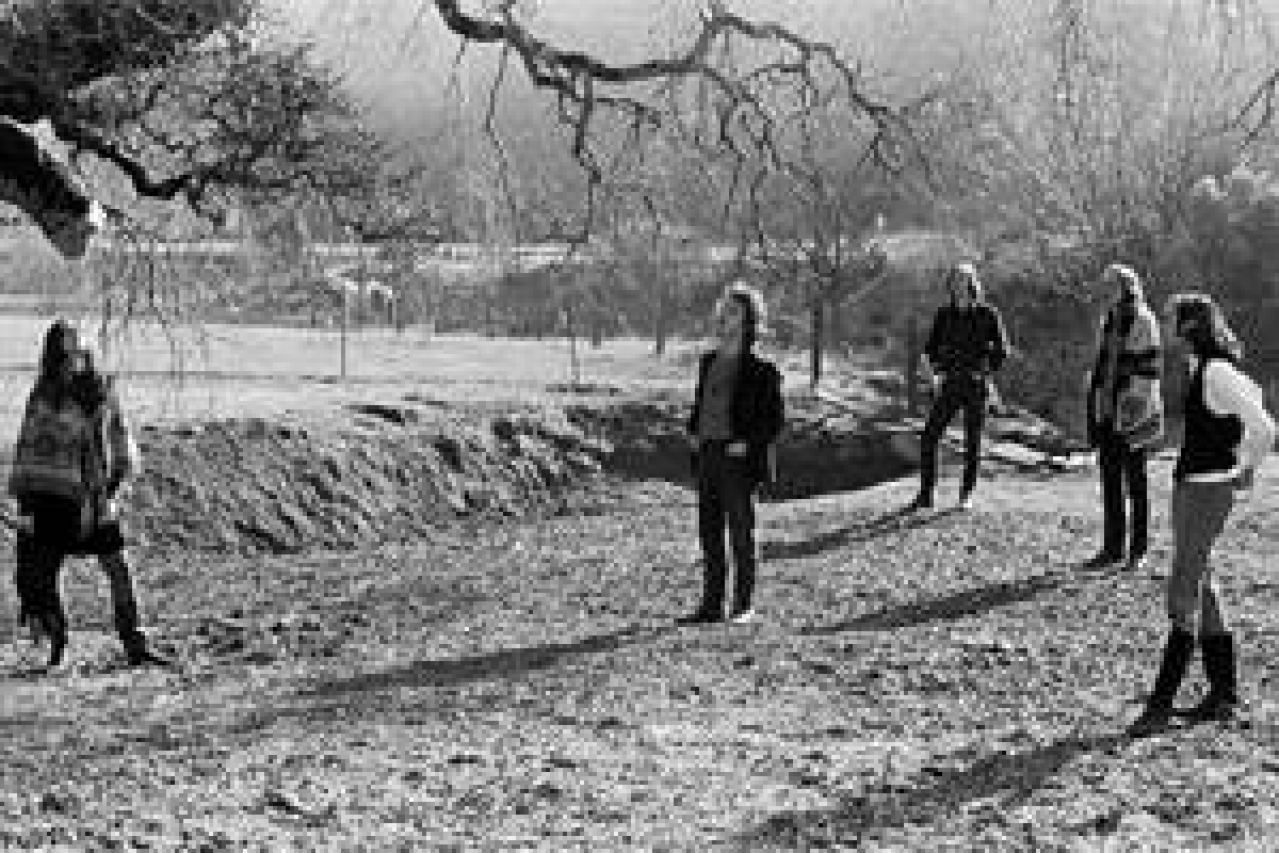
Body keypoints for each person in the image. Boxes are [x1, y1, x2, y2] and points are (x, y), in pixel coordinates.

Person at [1128, 294, 1275, 737]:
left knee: (1183, 589)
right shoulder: (1205, 368)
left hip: (1206, 491)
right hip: (1196, 488)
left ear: (1189, 325)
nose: (1166, 323)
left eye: (1172, 318)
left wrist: (1246, 467)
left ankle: (1159, 705)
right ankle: (1223, 695)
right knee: (1202, 586)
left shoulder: (1216, 371)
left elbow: (1265, 426)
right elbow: (1249, 406)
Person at [8, 319, 170, 670]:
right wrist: (26, 499)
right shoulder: (43, 393)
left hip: (94, 498)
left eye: (77, 350)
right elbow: (31, 448)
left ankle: (136, 644)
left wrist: (113, 482)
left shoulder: (102, 391)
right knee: (43, 573)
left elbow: (117, 436)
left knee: (118, 567)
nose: (71, 359)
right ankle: (58, 644)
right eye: (63, 353)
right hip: (49, 499)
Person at [681, 283, 784, 626]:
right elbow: (701, 403)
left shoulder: (762, 369)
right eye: (723, 310)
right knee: (709, 534)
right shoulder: (708, 361)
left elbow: (774, 420)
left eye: (734, 311)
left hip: (738, 459)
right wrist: (692, 431)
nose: (725, 316)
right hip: (707, 455)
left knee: (741, 533)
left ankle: (743, 606)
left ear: (749, 319)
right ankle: (711, 606)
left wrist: (748, 444)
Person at [908, 262, 1011, 511]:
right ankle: (925, 495)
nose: (958, 283)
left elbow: (1002, 350)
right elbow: (930, 349)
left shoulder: (988, 313)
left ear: (972, 283)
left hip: (976, 385)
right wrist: (931, 371)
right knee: (929, 436)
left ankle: (966, 495)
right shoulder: (944, 314)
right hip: (950, 383)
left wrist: (985, 372)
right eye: (954, 279)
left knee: (972, 441)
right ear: (950, 284)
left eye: (963, 279)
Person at [1083, 264, 1164, 570]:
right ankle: (1112, 549)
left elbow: (1148, 370)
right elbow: (1102, 364)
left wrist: (1130, 411)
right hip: (1107, 408)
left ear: (1127, 286)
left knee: (1136, 482)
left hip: (1133, 411)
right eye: (1104, 284)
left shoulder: (1143, 319)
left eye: (1111, 284)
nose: (1106, 290)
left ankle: (1138, 550)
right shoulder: (1108, 318)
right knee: (1110, 480)